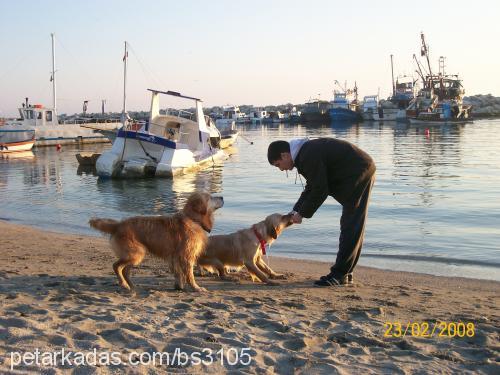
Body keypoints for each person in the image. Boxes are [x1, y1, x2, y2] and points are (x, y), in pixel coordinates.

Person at [267, 138, 376, 286]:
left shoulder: (307, 155)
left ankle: (339, 275)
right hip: (356, 172)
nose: (281, 169)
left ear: (285, 155)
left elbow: (320, 190)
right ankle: (346, 272)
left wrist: (302, 213)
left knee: (351, 226)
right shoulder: (304, 154)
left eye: (278, 165)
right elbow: (311, 186)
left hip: (358, 173)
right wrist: (295, 210)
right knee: (351, 225)